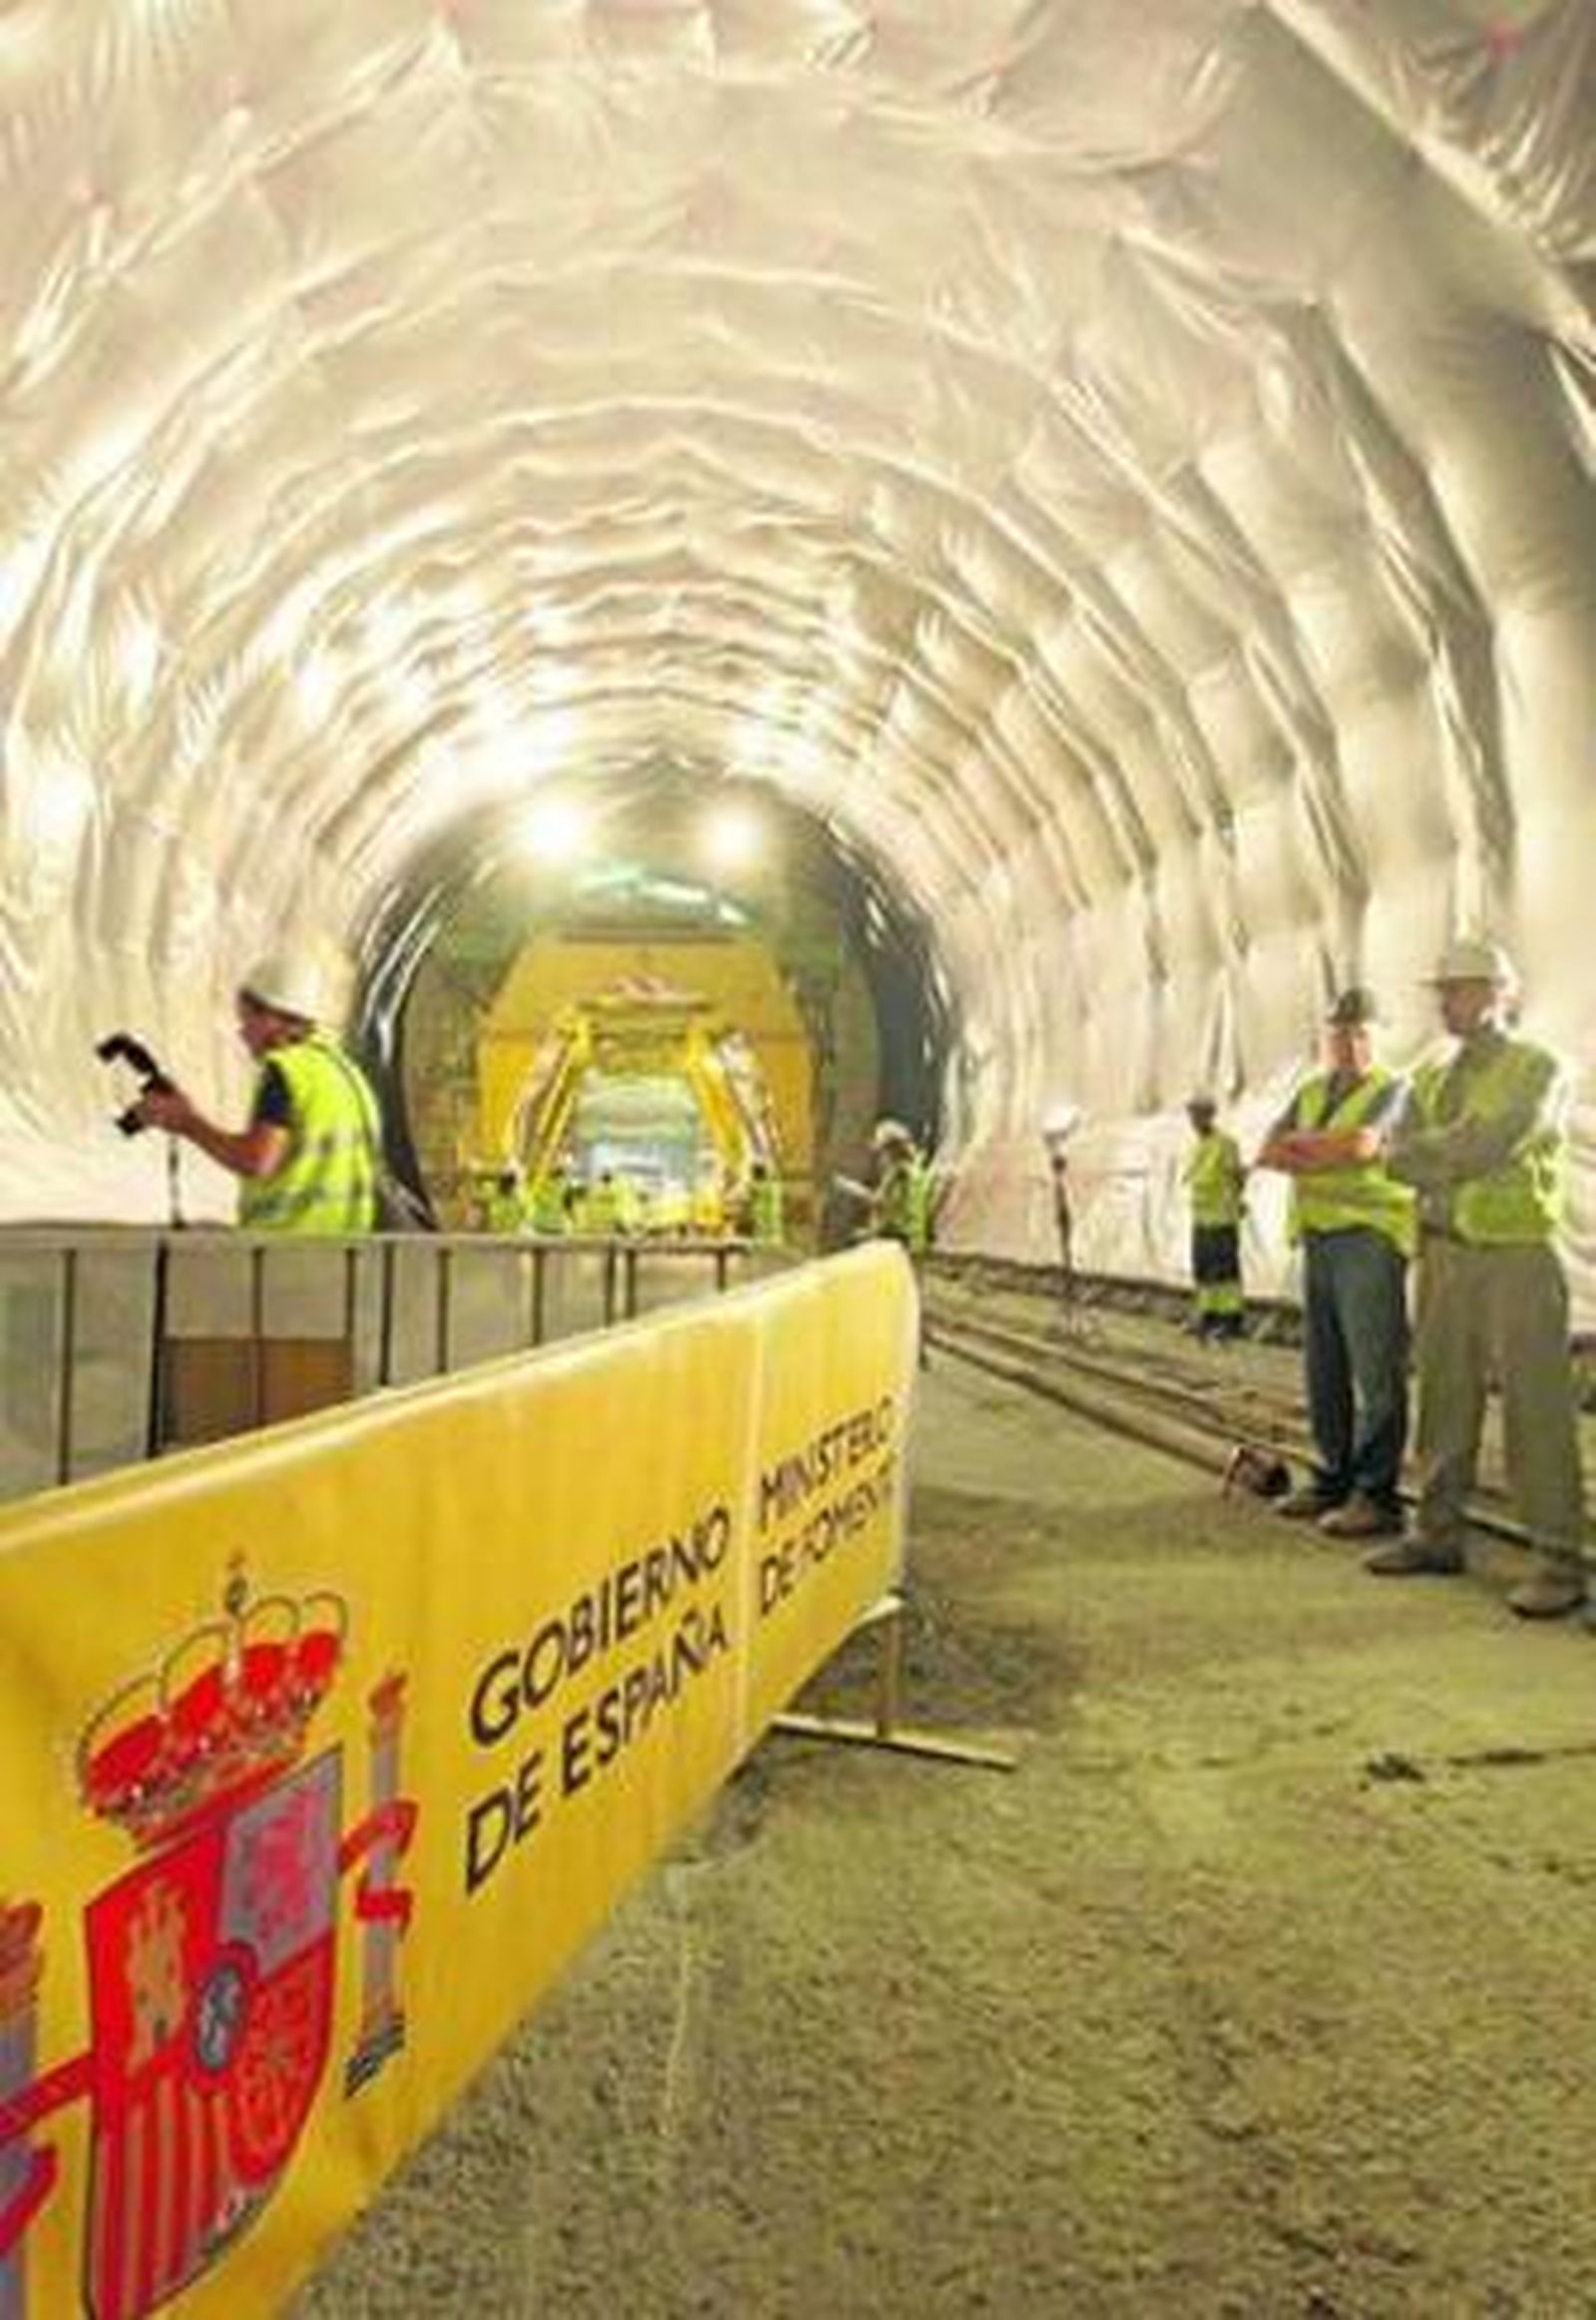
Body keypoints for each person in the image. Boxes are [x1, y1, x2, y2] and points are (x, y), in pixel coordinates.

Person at [1366, 938, 1588, 1619]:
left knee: (1535, 1411)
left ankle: (1557, 1561)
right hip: (1442, 1255)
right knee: (1443, 1398)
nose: (1447, 1002)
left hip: (1514, 1255)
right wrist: (1444, 1150)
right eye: (1444, 991)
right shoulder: (1433, 1078)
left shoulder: (1540, 1068)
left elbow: (1494, 1142)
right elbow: (1391, 1154)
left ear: (1501, 995)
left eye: (1461, 989)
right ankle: (1436, 1534)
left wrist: (1435, 1151)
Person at [1254, 987, 1414, 1538]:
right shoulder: (1312, 1090)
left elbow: (1363, 1146)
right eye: (1342, 1033)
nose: (1350, 1043)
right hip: (1319, 1241)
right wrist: (1319, 1146)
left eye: (1362, 1033)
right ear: (1329, 1038)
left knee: (1375, 1372)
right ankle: (1331, 1478)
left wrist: (1306, 1149)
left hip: (1370, 1239)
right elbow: (1267, 1152)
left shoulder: (1393, 1089)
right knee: (1323, 1369)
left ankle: (1378, 1495)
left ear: (1378, 1036)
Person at [132, 955, 383, 1233]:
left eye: (246, 1019)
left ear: (270, 1017)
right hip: (350, 1254)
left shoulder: (286, 1070)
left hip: (286, 1253)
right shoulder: (345, 1072)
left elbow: (256, 1160)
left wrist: (187, 1122)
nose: (242, 1033)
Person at [1182, 1096, 1245, 1340]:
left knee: (1224, 1270)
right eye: (1192, 1116)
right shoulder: (1197, 1146)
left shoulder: (1225, 1144)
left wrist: (1236, 1200)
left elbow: (1236, 1177)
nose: (1194, 1121)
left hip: (1222, 1217)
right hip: (1201, 1218)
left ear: (1209, 1116)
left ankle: (1230, 1320)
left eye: (1198, 1115)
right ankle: (1207, 1315)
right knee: (1203, 1267)